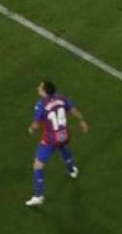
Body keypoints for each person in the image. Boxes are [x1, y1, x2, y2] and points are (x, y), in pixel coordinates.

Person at [25, 79, 89, 207]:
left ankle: (38, 196)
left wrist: (31, 129)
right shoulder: (61, 98)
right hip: (63, 135)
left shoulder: (41, 104)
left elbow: (37, 124)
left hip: (50, 140)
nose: (38, 87)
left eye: (40, 86)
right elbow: (73, 110)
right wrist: (82, 121)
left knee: (38, 165)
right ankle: (72, 169)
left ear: (44, 91)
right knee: (63, 146)